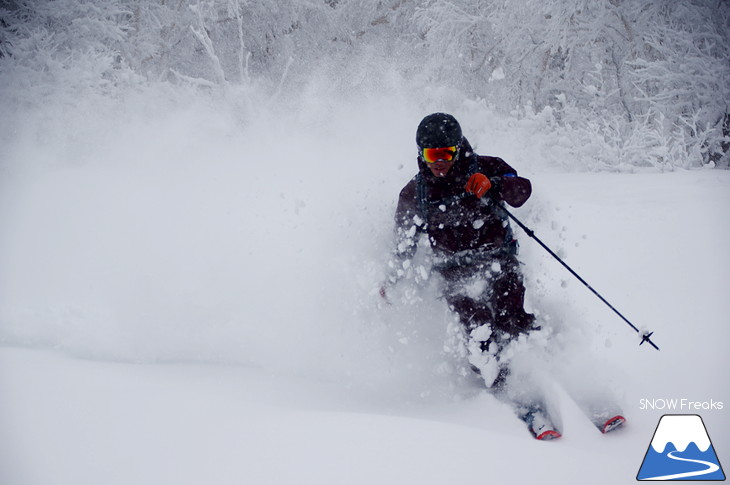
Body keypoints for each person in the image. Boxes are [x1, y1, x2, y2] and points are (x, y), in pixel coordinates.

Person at [380, 113, 624, 440]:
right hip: (455, 277)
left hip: (499, 263)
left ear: (457, 148)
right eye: (431, 155)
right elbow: (403, 244)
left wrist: (494, 184)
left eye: (446, 154)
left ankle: (570, 377)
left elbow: (522, 191)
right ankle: (516, 394)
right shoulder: (415, 194)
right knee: (481, 336)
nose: (440, 163)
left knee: (514, 322)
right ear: (421, 154)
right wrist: (392, 279)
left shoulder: (487, 166)